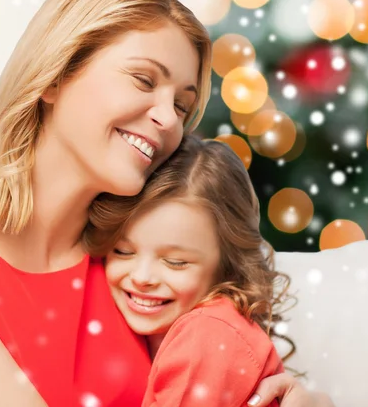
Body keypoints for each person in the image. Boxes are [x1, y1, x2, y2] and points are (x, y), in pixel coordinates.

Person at [0, 0, 335, 407]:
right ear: (55, 75)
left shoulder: (132, 268)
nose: (168, 118)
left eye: (182, 105)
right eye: (143, 79)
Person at [84, 135, 291, 406]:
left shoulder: (208, 335)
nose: (142, 276)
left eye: (175, 262)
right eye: (123, 251)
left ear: (228, 265)